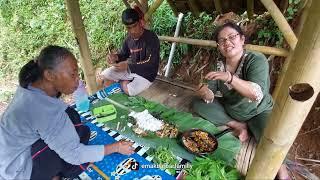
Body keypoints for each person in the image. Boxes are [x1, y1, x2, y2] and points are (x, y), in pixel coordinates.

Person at [0, 45, 134, 179]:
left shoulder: (30, 87)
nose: (77, 80)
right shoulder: (45, 111)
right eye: (72, 75)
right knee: (73, 149)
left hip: (7, 157)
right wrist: (116, 147)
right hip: (16, 170)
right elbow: (74, 154)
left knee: (75, 122)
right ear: (50, 75)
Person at [192, 22, 290, 179]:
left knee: (270, 137)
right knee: (197, 103)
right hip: (232, 110)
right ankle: (239, 126)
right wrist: (205, 93)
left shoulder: (256, 60)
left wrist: (230, 78)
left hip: (259, 111)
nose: (227, 43)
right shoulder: (219, 64)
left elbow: (256, 94)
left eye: (232, 37)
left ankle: (283, 172)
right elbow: (211, 94)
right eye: (222, 40)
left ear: (242, 39)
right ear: (218, 45)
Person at [97, 8, 160, 96]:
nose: (132, 31)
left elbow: (151, 62)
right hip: (130, 71)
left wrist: (128, 66)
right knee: (103, 76)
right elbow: (124, 54)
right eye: (128, 28)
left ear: (141, 23)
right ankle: (122, 84)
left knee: (129, 90)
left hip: (147, 74)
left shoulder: (151, 38)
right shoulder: (128, 39)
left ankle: (122, 85)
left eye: (134, 26)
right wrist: (116, 57)